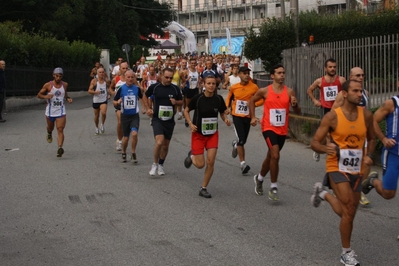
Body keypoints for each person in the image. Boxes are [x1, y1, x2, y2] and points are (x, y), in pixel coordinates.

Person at [310, 80, 375, 266]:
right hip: (336, 166)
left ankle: (323, 194)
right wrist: (326, 148)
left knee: (350, 212)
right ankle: (346, 252)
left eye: (361, 91)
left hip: (356, 168)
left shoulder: (367, 115)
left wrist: (370, 155)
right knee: (348, 207)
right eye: (355, 91)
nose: (359, 94)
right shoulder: (333, 117)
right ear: (344, 94)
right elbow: (315, 142)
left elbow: (371, 139)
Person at [249, 64, 301, 201]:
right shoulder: (265, 91)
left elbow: (298, 112)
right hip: (268, 127)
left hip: (282, 130)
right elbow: (252, 101)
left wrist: (295, 105)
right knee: (276, 155)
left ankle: (259, 178)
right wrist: (253, 117)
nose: (282, 75)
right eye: (279, 73)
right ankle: (273, 187)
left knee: (271, 156)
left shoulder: (289, 92)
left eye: (283, 73)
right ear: (272, 76)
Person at [183, 75, 231, 198]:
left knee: (211, 161)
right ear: (204, 84)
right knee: (200, 165)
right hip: (198, 134)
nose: (211, 86)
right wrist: (190, 123)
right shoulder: (198, 99)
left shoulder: (219, 99)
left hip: (212, 134)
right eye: (208, 83)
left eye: (213, 84)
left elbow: (221, 112)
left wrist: (225, 119)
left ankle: (203, 188)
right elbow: (186, 111)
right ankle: (192, 155)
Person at [332, 67, 371, 205]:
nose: (361, 77)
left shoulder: (365, 93)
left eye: (362, 75)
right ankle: (339, 187)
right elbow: (333, 113)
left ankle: (357, 191)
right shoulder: (342, 94)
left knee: (366, 162)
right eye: (357, 75)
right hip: (345, 133)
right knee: (345, 163)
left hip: (361, 132)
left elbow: (367, 112)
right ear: (350, 77)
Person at [143, 68, 183, 176]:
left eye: (171, 78)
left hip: (169, 121)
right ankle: (154, 164)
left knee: (165, 146)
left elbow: (181, 101)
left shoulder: (175, 89)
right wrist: (148, 108)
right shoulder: (155, 87)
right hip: (157, 119)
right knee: (159, 142)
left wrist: (176, 102)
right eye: (166, 77)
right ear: (161, 76)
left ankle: (161, 164)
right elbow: (145, 96)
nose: (169, 79)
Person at [307, 58, 346, 162]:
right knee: (327, 131)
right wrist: (315, 100)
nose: (332, 69)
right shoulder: (320, 81)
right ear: (325, 68)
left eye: (334, 67)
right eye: (330, 67)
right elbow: (309, 90)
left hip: (339, 109)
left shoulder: (341, 80)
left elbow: (347, 92)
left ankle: (335, 152)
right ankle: (321, 149)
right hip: (326, 108)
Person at [362, 93, 399, 200]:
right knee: (388, 194)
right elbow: (373, 120)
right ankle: (372, 181)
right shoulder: (391, 103)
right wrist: (383, 139)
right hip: (393, 154)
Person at [226, 66, 262, 174]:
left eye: (248, 73)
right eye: (244, 73)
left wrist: (253, 104)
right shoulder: (234, 87)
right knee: (241, 139)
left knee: (243, 140)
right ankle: (243, 164)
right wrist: (227, 107)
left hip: (248, 116)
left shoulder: (254, 87)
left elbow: (262, 99)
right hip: (236, 115)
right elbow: (229, 97)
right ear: (240, 75)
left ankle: (235, 145)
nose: (247, 75)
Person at [37, 68, 73, 157]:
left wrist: (68, 98)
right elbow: (39, 95)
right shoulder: (48, 85)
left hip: (61, 111)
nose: (58, 78)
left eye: (60, 76)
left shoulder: (65, 85)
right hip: (50, 111)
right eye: (57, 76)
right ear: (53, 75)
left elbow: (65, 94)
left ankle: (59, 148)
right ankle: (49, 133)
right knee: (50, 128)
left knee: (60, 129)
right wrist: (46, 96)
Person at [113, 70, 143, 163]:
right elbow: (114, 101)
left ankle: (133, 153)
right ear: (125, 78)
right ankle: (124, 152)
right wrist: (117, 102)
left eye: (132, 77)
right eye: (128, 77)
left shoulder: (137, 89)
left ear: (134, 78)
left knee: (134, 134)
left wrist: (145, 107)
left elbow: (142, 98)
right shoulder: (121, 89)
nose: (130, 79)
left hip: (134, 115)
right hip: (125, 116)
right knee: (126, 137)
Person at [109, 61, 128, 151]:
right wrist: (113, 93)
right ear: (120, 69)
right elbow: (111, 87)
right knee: (120, 122)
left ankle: (122, 137)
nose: (125, 70)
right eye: (123, 68)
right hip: (118, 104)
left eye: (126, 68)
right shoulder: (116, 79)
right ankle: (120, 141)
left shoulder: (131, 79)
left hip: (128, 105)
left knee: (126, 124)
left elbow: (137, 88)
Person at [88, 67, 110, 135]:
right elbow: (89, 90)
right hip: (96, 100)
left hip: (103, 100)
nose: (101, 74)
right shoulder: (94, 81)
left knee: (103, 113)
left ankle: (102, 124)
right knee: (96, 116)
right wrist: (95, 92)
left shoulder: (106, 81)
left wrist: (109, 95)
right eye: (100, 72)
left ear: (104, 73)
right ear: (97, 73)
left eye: (102, 72)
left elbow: (110, 88)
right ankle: (96, 127)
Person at [183, 58, 200, 127]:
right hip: (189, 89)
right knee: (188, 106)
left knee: (197, 105)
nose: (193, 64)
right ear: (189, 64)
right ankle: (187, 119)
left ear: (196, 64)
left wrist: (200, 83)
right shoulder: (187, 72)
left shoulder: (197, 71)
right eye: (192, 63)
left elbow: (199, 80)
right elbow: (183, 82)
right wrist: (187, 79)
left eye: (194, 63)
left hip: (195, 89)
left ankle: (196, 119)